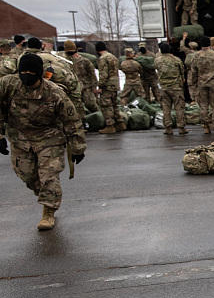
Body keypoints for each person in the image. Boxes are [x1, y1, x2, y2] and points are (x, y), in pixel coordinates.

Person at [0, 53, 86, 230]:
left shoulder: (54, 92)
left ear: (39, 73)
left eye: (31, 72)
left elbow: (72, 120)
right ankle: (47, 194)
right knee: (27, 175)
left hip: (49, 138)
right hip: (19, 138)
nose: (26, 75)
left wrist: (77, 146)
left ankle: (48, 211)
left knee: (49, 175)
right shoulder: (8, 84)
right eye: (23, 71)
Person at [189, 37, 214, 134]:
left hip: (201, 83)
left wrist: (193, 84)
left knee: (203, 106)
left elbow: (194, 72)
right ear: (210, 44)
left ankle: (206, 126)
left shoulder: (196, 56)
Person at [155, 42, 188, 135]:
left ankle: (168, 128)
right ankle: (181, 127)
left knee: (166, 108)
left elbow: (157, 70)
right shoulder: (176, 60)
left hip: (164, 87)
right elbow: (182, 72)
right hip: (176, 87)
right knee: (179, 107)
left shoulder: (157, 60)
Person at [95, 41, 126, 133]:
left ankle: (110, 125)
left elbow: (103, 74)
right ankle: (120, 123)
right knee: (114, 104)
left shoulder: (102, 59)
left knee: (106, 105)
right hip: (115, 84)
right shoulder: (113, 57)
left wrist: (100, 86)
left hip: (107, 85)